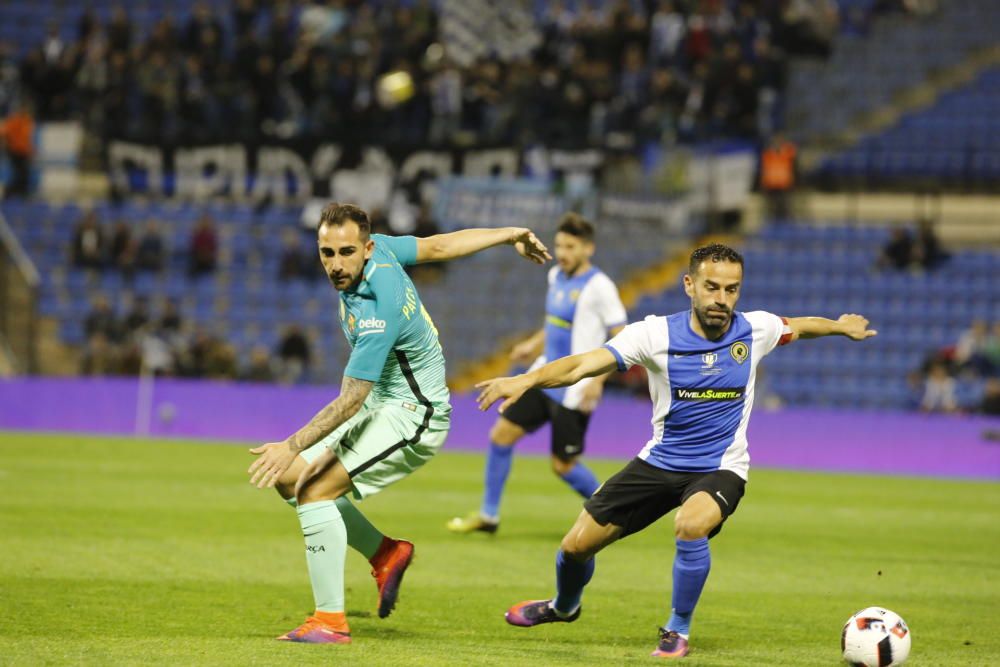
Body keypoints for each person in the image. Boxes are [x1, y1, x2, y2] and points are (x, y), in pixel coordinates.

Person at [475, 243, 877, 659]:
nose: (722, 299)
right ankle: (564, 606)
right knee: (575, 548)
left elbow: (798, 325)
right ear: (689, 285)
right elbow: (581, 365)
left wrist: (839, 325)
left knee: (690, 524)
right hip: (659, 462)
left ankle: (676, 629)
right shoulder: (653, 334)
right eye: (712, 287)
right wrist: (526, 379)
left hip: (720, 468)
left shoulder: (754, 329)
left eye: (731, 289)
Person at [246, 202, 551, 644]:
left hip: (414, 415)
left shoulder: (377, 305)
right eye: (327, 253)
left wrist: (291, 444)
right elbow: (440, 245)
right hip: (386, 404)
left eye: (346, 252)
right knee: (289, 480)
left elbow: (352, 398)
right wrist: (510, 234)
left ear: (367, 248)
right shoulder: (384, 250)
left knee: (311, 490)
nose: (336, 264)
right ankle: (386, 552)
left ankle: (329, 622)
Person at [448, 213, 627, 535]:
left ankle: (618, 510)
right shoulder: (556, 275)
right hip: (542, 376)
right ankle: (489, 516)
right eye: (559, 245)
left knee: (563, 466)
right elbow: (554, 322)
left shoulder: (601, 287)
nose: (562, 252)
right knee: (500, 436)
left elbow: (621, 335)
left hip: (575, 384)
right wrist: (532, 345)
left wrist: (598, 380)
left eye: (570, 246)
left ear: (589, 249)